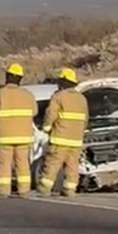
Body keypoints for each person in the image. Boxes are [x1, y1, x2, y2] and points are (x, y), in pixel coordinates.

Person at [0, 63, 37, 198]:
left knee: (4, 164)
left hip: (5, 136)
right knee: (23, 163)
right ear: (20, 79)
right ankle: (24, 190)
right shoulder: (28, 95)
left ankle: (3, 191)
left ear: (7, 77)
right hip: (24, 136)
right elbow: (35, 112)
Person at [37, 68, 89, 197]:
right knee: (72, 166)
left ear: (63, 82)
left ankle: (44, 188)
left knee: (52, 163)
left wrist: (46, 128)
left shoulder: (59, 96)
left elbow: (50, 114)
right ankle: (70, 190)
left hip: (60, 138)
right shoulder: (82, 98)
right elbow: (86, 119)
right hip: (76, 140)